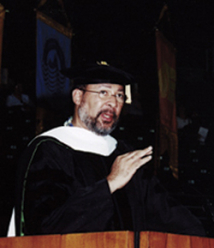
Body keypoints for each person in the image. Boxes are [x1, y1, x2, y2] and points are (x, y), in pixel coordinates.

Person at [15, 62, 205, 237]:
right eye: (103, 92)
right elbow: (45, 225)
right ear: (78, 96)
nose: (113, 103)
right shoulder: (48, 150)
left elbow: (168, 214)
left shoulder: (124, 154)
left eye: (119, 95)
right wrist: (110, 184)